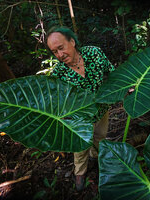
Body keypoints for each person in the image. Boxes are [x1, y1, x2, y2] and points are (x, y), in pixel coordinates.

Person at [46, 26, 115, 191]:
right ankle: (80, 171)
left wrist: (123, 89)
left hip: (101, 108)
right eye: (54, 52)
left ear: (72, 41)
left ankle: (97, 158)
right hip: (79, 118)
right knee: (81, 146)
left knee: (100, 136)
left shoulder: (94, 53)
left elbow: (112, 72)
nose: (59, 55)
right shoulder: (58, 74)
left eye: (61, 48)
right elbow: (57, 104)